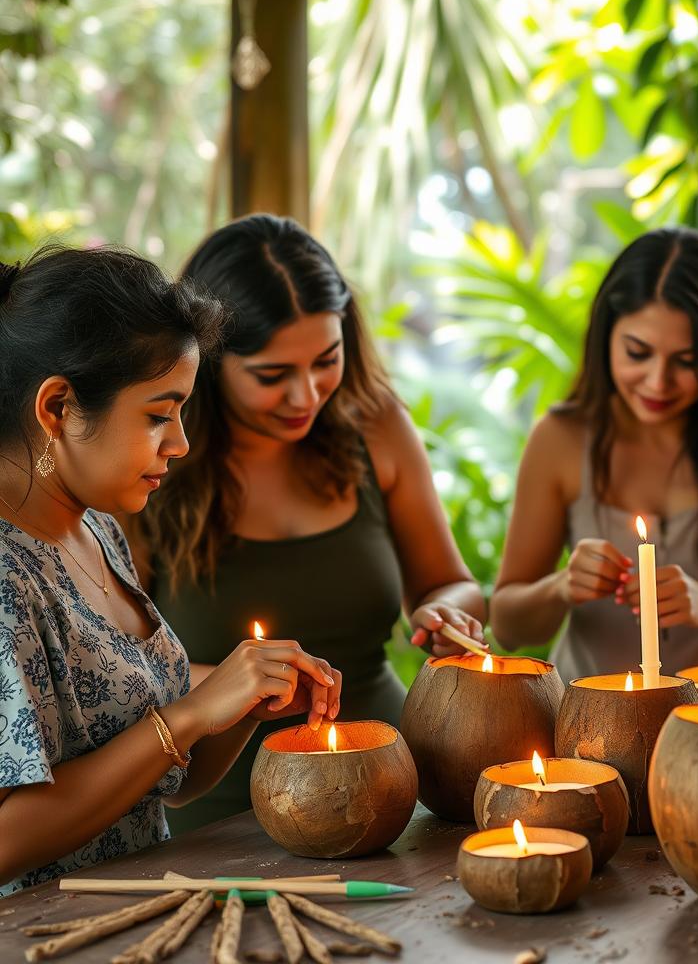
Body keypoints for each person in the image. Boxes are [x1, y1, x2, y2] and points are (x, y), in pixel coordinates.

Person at [0, 248, 342, 896]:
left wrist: (243, 702)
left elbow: (170, 784)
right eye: (158, 414)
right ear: (58, 409)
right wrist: (187, 716)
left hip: (135, 914)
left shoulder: (94, 527)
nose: (180, 441)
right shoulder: (6, 579)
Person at [134, 214, 485, 831]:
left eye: (327, 360)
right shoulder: (153, 465)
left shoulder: (376, 426)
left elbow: (450, 583)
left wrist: (445, 611)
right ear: (208, 363)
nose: (307, 396)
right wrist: (235, 684)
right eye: (273, 376)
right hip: (218, 824)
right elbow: (119, 669)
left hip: (394, 797)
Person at [490, 228, 698, 681]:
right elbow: (508, 628)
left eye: (687, 361)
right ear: (606, 334)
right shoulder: (561, 439)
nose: (657, 382)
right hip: (586, 736)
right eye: (637, 352)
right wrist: (561, 586)